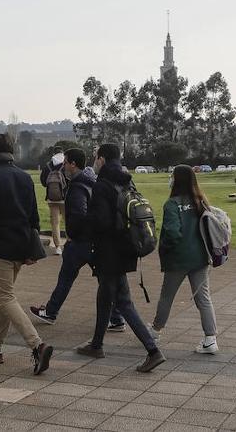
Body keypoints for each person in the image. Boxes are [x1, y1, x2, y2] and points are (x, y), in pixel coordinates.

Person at [77, 143, 164, 373]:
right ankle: (96, 344)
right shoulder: (127, 180)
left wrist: (86, 223)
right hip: (126, 248)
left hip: (109, 251)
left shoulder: (102, 185)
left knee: (123, 302)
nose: (94, 161)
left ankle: (153, 350)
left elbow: (101, 221)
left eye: (96, 157)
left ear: (103, 159)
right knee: (106, 296)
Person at [0, 133, 54, 375]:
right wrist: (31, 249)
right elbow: (33, 217)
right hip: (20, 246)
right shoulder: (24, 176)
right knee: (4, 298)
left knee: (5, 298)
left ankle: (37, 345)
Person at [30, 148, 125, 331]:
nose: (63, 166)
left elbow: (80, 214)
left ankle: (51, 311)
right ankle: (116, 317)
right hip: (92, 242)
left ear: (73, 164)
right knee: (102, 279)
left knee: (67, 278)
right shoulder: (91, 182)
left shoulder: (78, 187)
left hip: (80, 242)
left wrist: (74, 233)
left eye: (65, 162)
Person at [152, 165, 218, 355]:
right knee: (203, 298)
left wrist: (165, 248)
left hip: (178, 259)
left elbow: (172, 232)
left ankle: (155, 331)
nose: (170, 179)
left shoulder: (172, 204)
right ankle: (210, 339)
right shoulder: (201, 201)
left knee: (167, 296)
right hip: (201, 258)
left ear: (177, 180)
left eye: (172, 176)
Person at [40, 146, 67, 255]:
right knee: (67, 221)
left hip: (51, 198)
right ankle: (69, 243)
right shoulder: (66, 163)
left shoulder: (48, 165)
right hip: (65, 197)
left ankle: (58, 247)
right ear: (62, 153)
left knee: (55, 223)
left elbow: (43, 182)